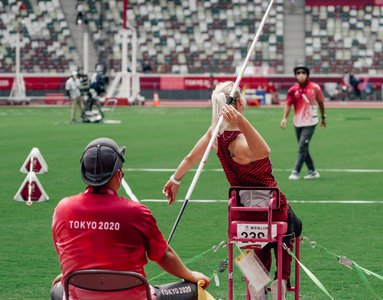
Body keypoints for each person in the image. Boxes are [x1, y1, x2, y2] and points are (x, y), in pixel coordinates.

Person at [163, 82, 302, 300]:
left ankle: (257, 283)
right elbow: (264, 151)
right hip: (271, 209)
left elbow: (191, 158)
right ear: (237, 103)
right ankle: (282, 280)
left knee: (253, 244)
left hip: (240, 211)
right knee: (291, 228)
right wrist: (241, 122)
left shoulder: (214, 135)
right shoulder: (240, 144)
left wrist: (175, 180)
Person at [51, 137, 210, 300]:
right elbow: (163, 255)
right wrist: (191, 275)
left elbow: (65, 251)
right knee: (194, 289)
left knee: (58, 289)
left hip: (79, 295)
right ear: (118, 174)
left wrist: (69, 273)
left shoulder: (63, 209)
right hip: (134, 296)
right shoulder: (136, 212)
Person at [281, 65, 326, 180]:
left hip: (311, 122)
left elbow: (321, 102)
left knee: (302, 146)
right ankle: (313, 171)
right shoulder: (292, 90)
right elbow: (288, 104)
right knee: (303, 147)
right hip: (298, 122)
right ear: (295, 75)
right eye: (298, 73)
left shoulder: (315, 88)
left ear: (307, 74)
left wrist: (323, 117)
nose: (301, 75)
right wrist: (284, 118)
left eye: (303, 72)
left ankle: (295, 171)